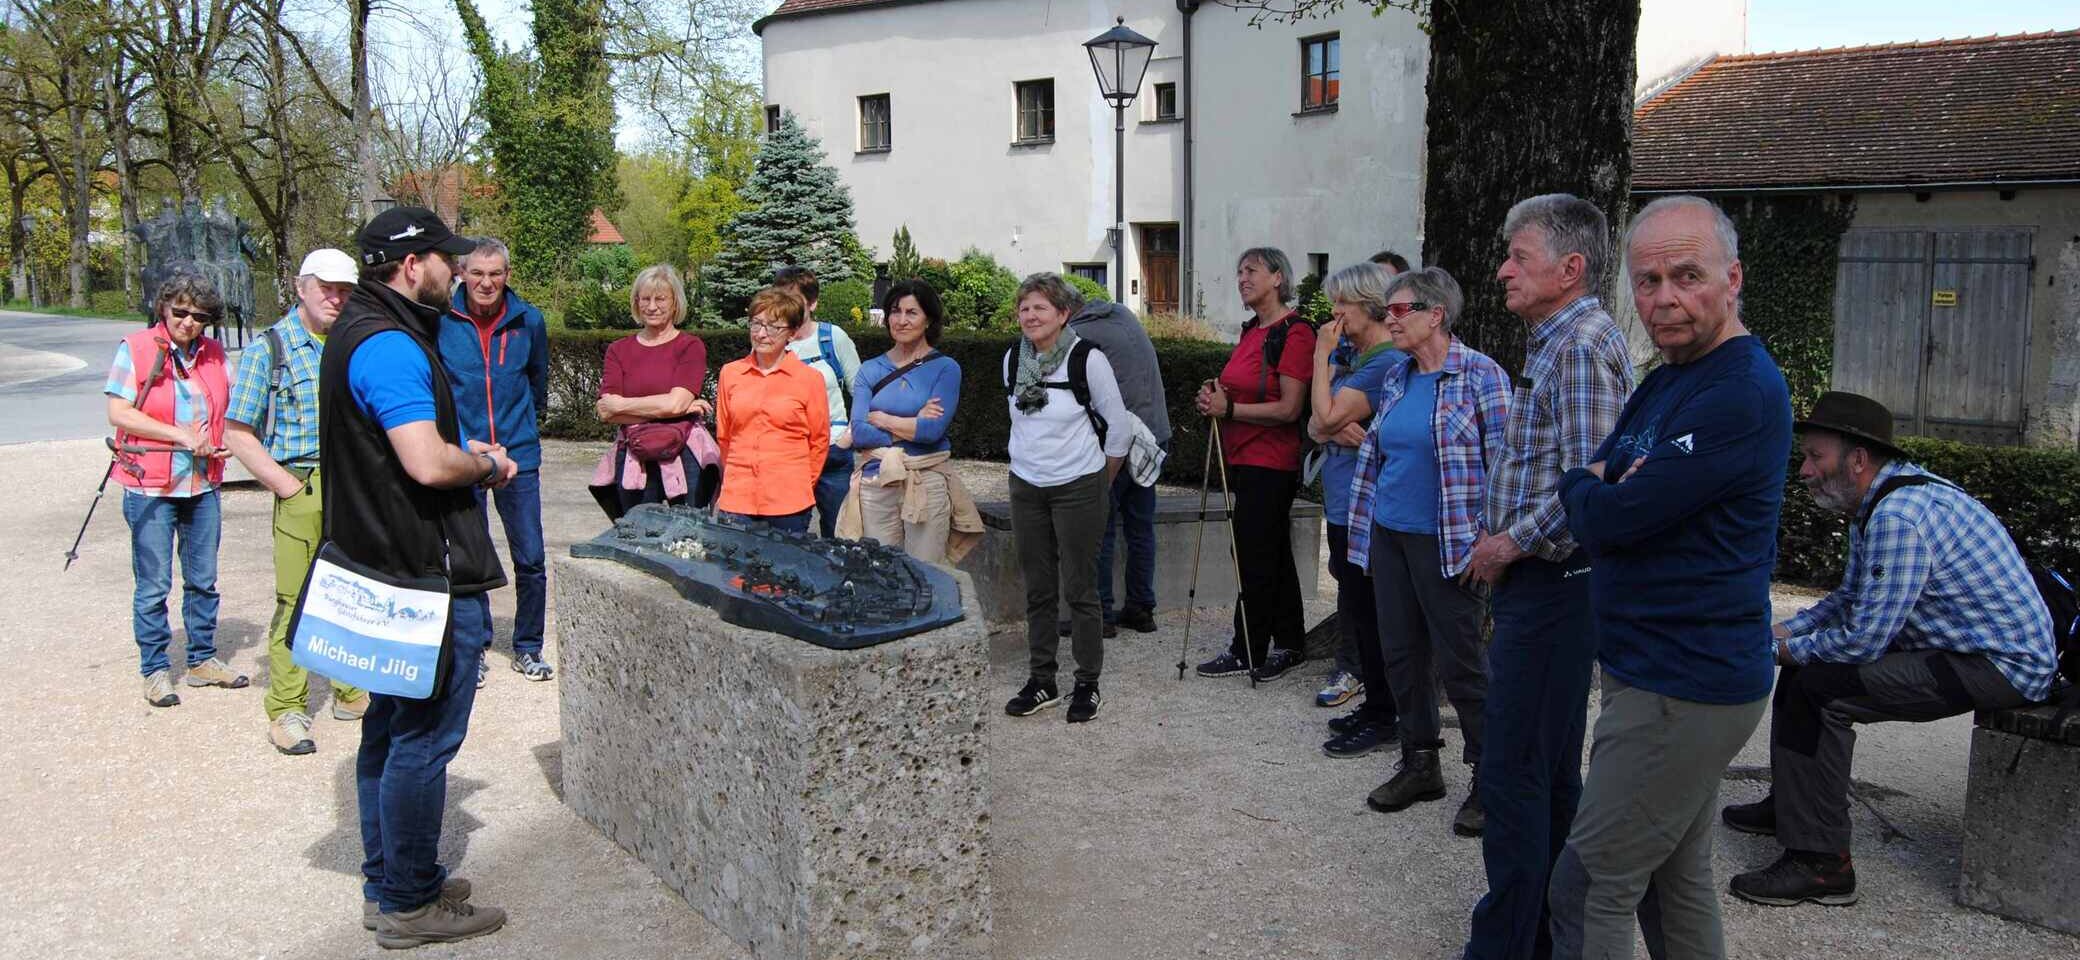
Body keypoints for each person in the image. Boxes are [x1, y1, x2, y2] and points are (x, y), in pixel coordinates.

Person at [1548, 195, 1791, 960]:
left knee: (1589, 888)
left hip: (1682, 683)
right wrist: (1604, 486)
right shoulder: (1667, 378)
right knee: (1670, 881)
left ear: (1733, 278)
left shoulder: (1739, 391)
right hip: (1658, 673)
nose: (1663, 299)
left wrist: (1600, 489)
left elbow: (1608, 514)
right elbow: (1605, 483)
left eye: (1686, 276)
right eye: (1647, 281)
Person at [1724, 391, 2058, 909]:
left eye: (1816, 457)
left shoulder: (1897, 517)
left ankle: (1821, 864)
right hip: (1965, 651)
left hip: (2001, 667)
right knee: (1807, 668)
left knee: (1820, 688)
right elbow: (1852, 598)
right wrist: (1784, 634)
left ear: (1857, 460)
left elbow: (1863, 641)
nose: (1805, 471)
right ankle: (1794, 806)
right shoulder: (1878, 502)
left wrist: (1771, 654)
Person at [323, 206, 511, 948]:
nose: (458, 271)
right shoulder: (392, 344)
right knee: (422, 742)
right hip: (421, 575)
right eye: (447, 259)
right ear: (412, 266)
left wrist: (462, 444)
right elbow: (427, 464)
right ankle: (407, 902)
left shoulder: (360, 330)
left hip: (384, 565)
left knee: (387, 732)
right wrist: (487, 464)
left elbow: (402, 440)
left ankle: (395, 882)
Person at [1461, 195, 1635, 960]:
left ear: (1570, 269)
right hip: (1548, 588)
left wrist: (1510, 544)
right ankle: (1544, 932)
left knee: (1513, 771)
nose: (1502, 269)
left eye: (1518, 256)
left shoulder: (1581, 345)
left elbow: (1592, 488)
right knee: (1545, 767)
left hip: (1556, 589)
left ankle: (1508, 944)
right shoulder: (1559, 339)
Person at [1345, 267, 1509, 837]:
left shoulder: (1481, 375)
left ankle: (1491, 777)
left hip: (1450, 541)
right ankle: (1420, 763)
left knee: (1463, 661)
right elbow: (1386, 452)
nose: (1389, 318)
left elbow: (1505, 468)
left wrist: (1489, 539)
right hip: (1389, 534)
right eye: (1388, 310)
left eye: (1399, 309)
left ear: (1435, 314)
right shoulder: (1398, 376)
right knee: (1401, 655)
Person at [225, 248, 367, 753]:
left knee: (354, 591)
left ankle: (352, 691)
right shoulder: (271, 348)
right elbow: (238, 432)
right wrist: (286, 485)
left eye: (345, 289)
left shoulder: (353, 342)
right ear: (300, 286)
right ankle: (286, 708)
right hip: (303, 482)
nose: (337, 297)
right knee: (295, 599)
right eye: (327, 287)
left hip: (355, 486)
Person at [107, 270, 246, 708]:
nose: (188, 321)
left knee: (203, 579)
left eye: (199, 315)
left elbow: (230, 407)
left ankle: (202, 659)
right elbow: (119, 412)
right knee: (153, 584)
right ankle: (154, 668)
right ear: (163, 307)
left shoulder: (213, 353)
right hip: (150, 482)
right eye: (180, 311)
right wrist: (180, 435)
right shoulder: (137, 348)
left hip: (202, 482)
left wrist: (221, 442)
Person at [1001, 274, 1133, 725]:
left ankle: (1087, 682)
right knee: (1038, 588)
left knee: (1081, 588)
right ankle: (1042, 679)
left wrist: (1101, 480)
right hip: (1027, 486)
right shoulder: (1014, 359)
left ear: (1062, 313)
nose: (1030, 316)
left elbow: (1120, 427)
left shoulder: (1086, 359)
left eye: (1040, 308)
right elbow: (1021, 422)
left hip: (1079, 485)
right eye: (1024, 308)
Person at [1193, 247, 1315, 683]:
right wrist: (1215, 397)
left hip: (1270, 460)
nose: (1242, 278)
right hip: (1242, 457)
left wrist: (1229, 411)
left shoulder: (1295, 333)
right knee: (1270, 551)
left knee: (1253, 554)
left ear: (1278, 278)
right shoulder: (1252, 331)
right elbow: (1238, 392)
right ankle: (1288, 642)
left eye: (1252, 270)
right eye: (1239, 270)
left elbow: (1288, 409)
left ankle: (1248, 647)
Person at [439, 237, 553, 685]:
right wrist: (460, 442)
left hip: (519, 454)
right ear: (462, 274)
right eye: (478, 273)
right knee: (469, 556)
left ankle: (528, 646)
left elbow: (537, 382)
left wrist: (520, 431)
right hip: (464, 455)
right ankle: (477, 645)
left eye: (496, 273)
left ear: (508, 274)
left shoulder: (529, 321)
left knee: (531, 557)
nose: (487, 283)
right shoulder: (441, 321)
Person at [1306, 262, 1407, 758]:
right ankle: (1375, 708)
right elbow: (1316, 425)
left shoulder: (1381, 362)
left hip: (1368, 507)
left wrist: (1322, 355)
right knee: (1359, 606)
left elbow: (1322, 416)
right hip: (1349, 503)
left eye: (1341, 303)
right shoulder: (1365, 357)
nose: (1335, 314)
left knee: (1371, 610)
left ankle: (1385, 713)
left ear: (1367, 305)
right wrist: (1326, 422)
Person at [837, 279, 982, 563]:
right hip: (877, 482)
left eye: (911, 312)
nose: (901, 320)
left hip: (926, 481)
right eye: (895, 311)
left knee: (925, 573)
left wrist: (882, 419)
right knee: (880, 571)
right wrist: (912, 423)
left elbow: (932, 431)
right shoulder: (870, 369)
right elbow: (860, 433)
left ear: (928, 319)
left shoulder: (945, 368)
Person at [1066, 285, 1171, 636]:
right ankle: (1141, 609)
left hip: (1121, 440)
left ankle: (1100, 615)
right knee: (1140, 526)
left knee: (1101, 525)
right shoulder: (1121, 313)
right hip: (1154, 434)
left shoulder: (1077, 334)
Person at [591, 264, 715, 518]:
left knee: (690, 533)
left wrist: (624, 405)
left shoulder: (690, 346)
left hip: (685, 454)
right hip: (633, 453)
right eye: (645, 299)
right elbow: (606, 411)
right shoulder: (618, 350)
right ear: (636, 303)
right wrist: (674, 408)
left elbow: (672, 404)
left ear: (675, 303)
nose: (652, 306)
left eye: (660, 299)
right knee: (636, 533)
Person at [714, 287, 829, 532]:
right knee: (733, 570)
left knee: (785, 570)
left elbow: (819, 441)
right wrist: (735, 479)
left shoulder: (810, 379)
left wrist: (801, 485)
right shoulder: (730, 373)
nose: (762, 334)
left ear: (792, 333)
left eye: (774, 327)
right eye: (756, 324)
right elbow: (724, 436)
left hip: (789, 501)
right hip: (738, 498)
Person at [773, 266, 861, 538]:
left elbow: (862, 391)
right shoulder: (770, 339)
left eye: (795, 300)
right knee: (787, 535)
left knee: (838, 534)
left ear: (812, 303)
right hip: (787, 453)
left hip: (832, 450)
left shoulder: (832, 338)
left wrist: (848, 437)